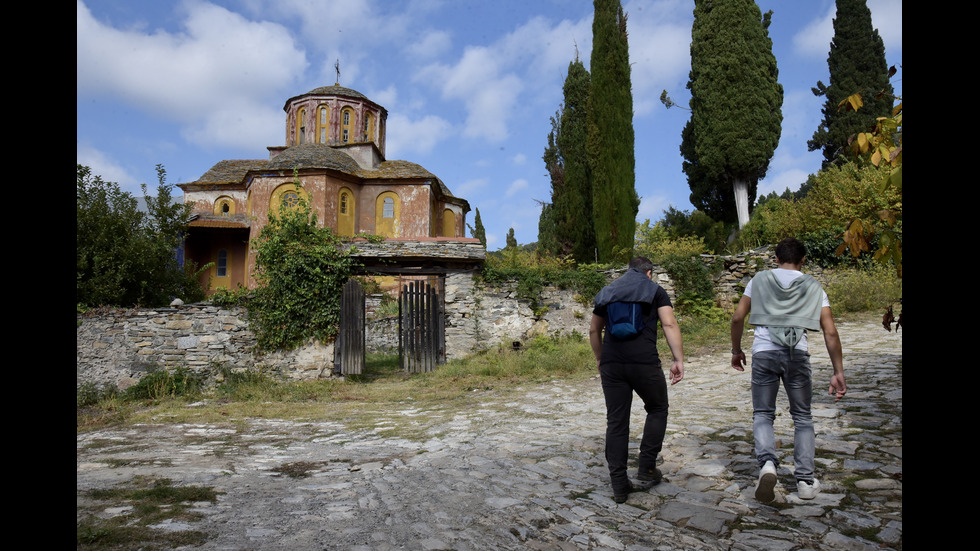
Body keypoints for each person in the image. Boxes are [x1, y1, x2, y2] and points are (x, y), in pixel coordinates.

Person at [730, 237, 847, 502]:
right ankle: (805, 481)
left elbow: (737, 317)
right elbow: (830, 332)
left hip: (764, 353)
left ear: (776, 258)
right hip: (797, 355)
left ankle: (767, 464)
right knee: (803, 416)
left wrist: (736, 350)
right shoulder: (814, 286)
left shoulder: (757, 280)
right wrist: (838, 371)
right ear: (803, 259)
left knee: (762, 413)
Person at [590, 257, 684, 504]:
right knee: (657, 408)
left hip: (612, 364)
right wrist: (678, 359)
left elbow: (593, 330)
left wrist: (601, 359)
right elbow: (669, 323)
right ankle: (647, 467)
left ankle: (619, 483)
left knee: (617, 421)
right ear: (649, 272)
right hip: (644, 363)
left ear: (628, 270)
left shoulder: (607, 292)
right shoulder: (654, 290)